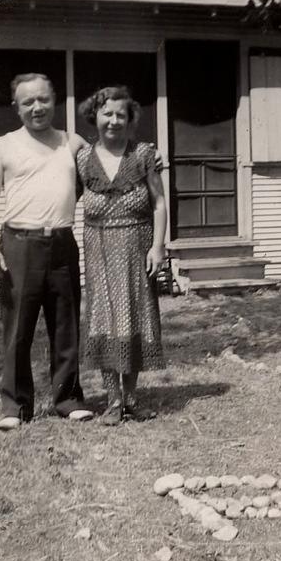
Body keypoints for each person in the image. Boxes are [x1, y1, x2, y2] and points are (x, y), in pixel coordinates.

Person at [0, 73, 93, 430]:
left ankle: (68, 399)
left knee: (66, 324)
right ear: (16, 107)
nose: (36, 107)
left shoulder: (72, 143)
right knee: (18, 328)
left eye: (42, 99)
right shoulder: (2, 146)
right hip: (18, 245)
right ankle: (15, 406)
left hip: (61, 242)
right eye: (27, 102)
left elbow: (97, 180)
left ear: (54, 100)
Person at [77, 86, 167, 425]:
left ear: (130, 120)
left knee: (136, 317)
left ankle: (130, 398)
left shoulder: (144, 155)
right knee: (104, 318)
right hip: (98, 249)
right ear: (94, 116)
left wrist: (158, 247)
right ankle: (112, 401)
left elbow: (158, 203)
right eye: (107, 113)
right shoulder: (82, 158)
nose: (113, 120)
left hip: (137, 247)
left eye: (121, 114)